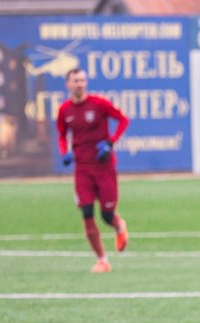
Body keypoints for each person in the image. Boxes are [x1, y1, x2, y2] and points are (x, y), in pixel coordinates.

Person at [56, 68, 130, 273]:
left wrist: (110, 143)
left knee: (107, 215)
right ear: (68, 84)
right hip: (82, 169)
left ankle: (119, 226)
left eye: (83, 80)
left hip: (104, 168)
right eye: (76, 80)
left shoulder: (99, 104)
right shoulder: (64, 110)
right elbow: (61, 135)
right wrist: (65, 152)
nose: (80, 84)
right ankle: (102, 260)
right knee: (87, 213)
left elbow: (123, 120)